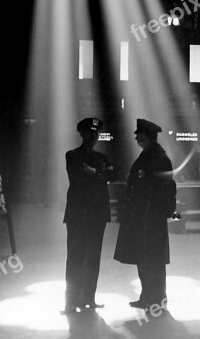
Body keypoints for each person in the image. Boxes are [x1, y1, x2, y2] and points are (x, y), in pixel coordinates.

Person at [114, 119, 176, 309]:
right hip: (143, 217)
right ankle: (148, 297)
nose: (136, 138)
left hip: (151, 218)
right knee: (145, 259)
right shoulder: (149, 155)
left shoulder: (157, 157)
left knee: (152, 260)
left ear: (148, 137)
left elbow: (161, 189)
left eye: (139, 135)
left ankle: (156, 298)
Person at [63, 117, 115, 314]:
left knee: (93, 258)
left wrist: (93, 172)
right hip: (78, 215)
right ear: (82, 134)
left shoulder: (101, 158)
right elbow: (77, 178)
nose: (93, 136)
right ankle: (71, 300)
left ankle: (88, 298)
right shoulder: (72, 155)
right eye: (89, 133)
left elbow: (113, 175)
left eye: (96, 133)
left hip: (97, 215)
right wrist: (100, 174)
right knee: (75, 257)